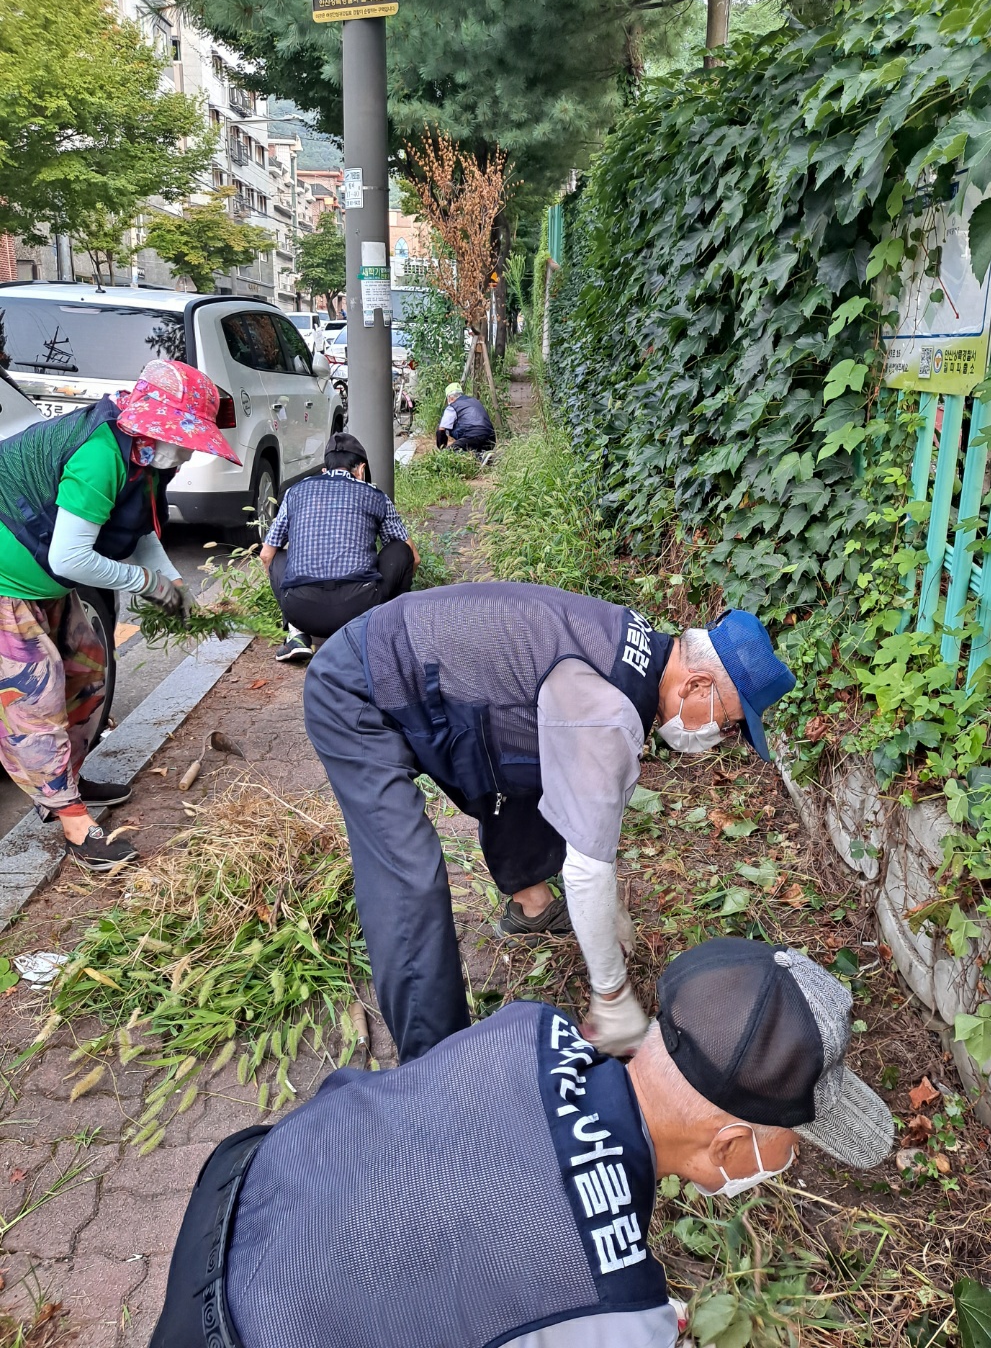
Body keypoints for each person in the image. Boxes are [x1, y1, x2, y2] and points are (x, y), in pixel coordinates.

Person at [149, 936, 894, 1348]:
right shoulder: (614, 1306)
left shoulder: (531, 1029)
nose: (787, 1160)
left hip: (242, 1201)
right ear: (729, 1147)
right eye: (791, 1140)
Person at [304, 582, 796, 1063]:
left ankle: (531, 909)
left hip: (423, 665)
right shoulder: (608, 713)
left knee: (539, 767)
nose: (720, 736)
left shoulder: (639, 647)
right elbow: (587, 867)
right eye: (728, 723)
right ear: (696, 684)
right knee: (409, 877)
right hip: (362, 686)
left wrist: (614, 916)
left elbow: (580, 788)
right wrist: (612, 996)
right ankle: (433, 1071)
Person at [0, 360, 240, 869]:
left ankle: (68, 781)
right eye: (185, 438)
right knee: (32, 696)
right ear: (149, 425)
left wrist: (174, 585)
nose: (189, 450)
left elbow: (140, 531)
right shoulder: (99, 456)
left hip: (44, 584)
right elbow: (70, 557)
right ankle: (71, 820)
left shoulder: (145, 461)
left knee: (87, 671)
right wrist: (147, 584)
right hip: (6, 582)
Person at [260, 432, 419, 664]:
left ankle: (296, 634)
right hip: (359, 609)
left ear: (326, 469)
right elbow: (413, 558)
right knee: (400, 550)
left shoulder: (296, 492)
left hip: (302, 610)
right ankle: (383, 633)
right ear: (361, 469)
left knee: (277, 556)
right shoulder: (375, 496)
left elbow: (266, 555)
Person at [436, 383, 496, 452]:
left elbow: (441, 429)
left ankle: (478, 456)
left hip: (473, 436)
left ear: (450, 398)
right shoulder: (475, 401)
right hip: (491, 439)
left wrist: (442, 450)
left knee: (450, 452)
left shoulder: (452, 407)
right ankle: (482, 454)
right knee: (471, 446)